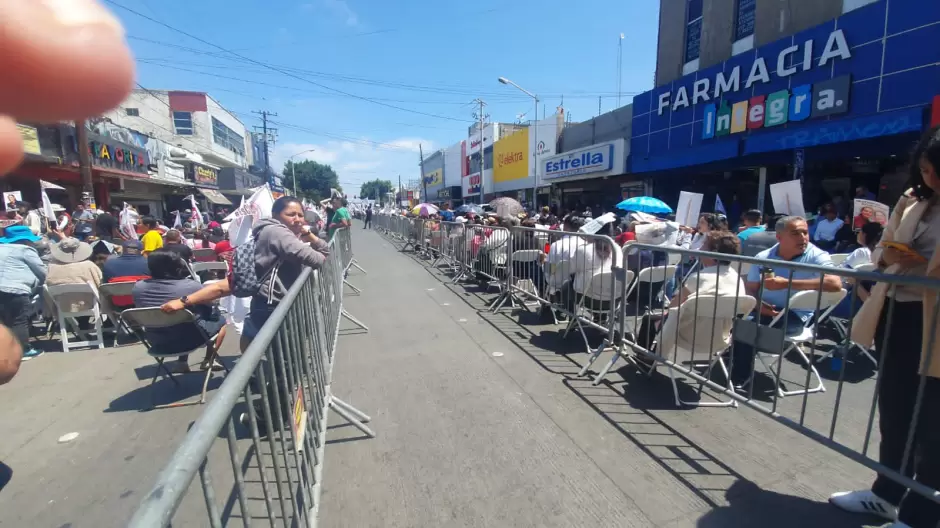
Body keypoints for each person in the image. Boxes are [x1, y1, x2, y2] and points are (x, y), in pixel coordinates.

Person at [829, 127, 940, 528]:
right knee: (895, 408)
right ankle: (886, 494)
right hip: (898, 311)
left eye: (937, 171)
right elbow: (882, 250)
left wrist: (924, 268)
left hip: (936, 323)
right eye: (926, 169)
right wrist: (891, 256)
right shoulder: (913, 200)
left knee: (933, 421)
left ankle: (922, 514)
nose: (931, 179)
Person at [730, 216, 842, 387]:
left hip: (794, 315)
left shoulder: (816, 255)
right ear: (779, 237)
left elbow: (835, 283)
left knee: (748, 327)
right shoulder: (765, 256)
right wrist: (759, 305)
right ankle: (736, 352)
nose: (803, 237)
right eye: (796, 233)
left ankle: (740, 374)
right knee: (727, 312)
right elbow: (751, 287)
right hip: (763, 309)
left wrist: (787, 283)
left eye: (805, 232)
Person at [633, 231, 747, 371]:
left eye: (704, 245)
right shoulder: (737, 279)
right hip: (718, 338)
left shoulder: (700, 277)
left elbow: (674, 306)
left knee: (650, 319)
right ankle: (650, 357)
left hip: (688, 334)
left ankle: (645, 359)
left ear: (713, 252)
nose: (700, 248)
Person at [132, 248, 225, 373]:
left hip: (157, 341)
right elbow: (210, 306)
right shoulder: (190, 286)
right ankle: (209, 360)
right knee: (220, 320)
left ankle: (182, 363)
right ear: (178, 266)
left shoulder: (138, 287)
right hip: (189, 340)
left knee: (183, 319)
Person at [0, 226, 47, 361]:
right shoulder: (26, 250)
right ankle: (23, 350)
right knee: (18, 320)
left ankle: (4, 350)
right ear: (25, 240)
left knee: (2, 322)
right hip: (15, 288)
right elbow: (41, 271)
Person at [44, 237, 103, 335]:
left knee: (72, 298)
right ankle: (102, 326)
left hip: (63, 306)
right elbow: (100, 283)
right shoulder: (89, 265)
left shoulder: (52, 267)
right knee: (89, 297)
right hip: (88, 304)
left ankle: (78, 328)